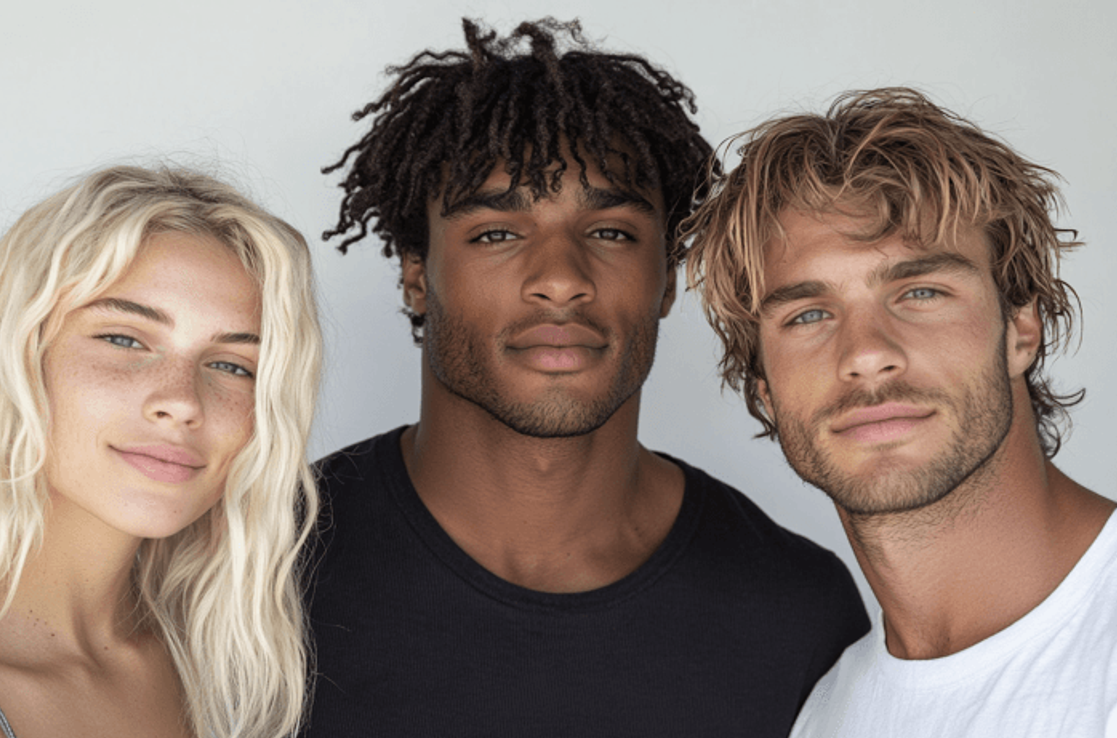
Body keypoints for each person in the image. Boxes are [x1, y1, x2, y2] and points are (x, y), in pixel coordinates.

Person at [306, 18, 868, 737]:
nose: (562, 281)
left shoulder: (798, 612)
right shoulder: (255, 571)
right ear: (418, 276)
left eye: (610, 233)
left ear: (666, 279)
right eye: (497, 234)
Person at [684, 87, 1117, 737]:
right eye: (808, 314)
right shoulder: (823, 716)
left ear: (1021, 328)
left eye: (920, 291)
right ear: (762, 388)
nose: (867, 354)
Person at [0, 165, 323, 738]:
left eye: (231, 365)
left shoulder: (218, 667)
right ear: (9, 357)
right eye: (124, 339)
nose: (182, 401)